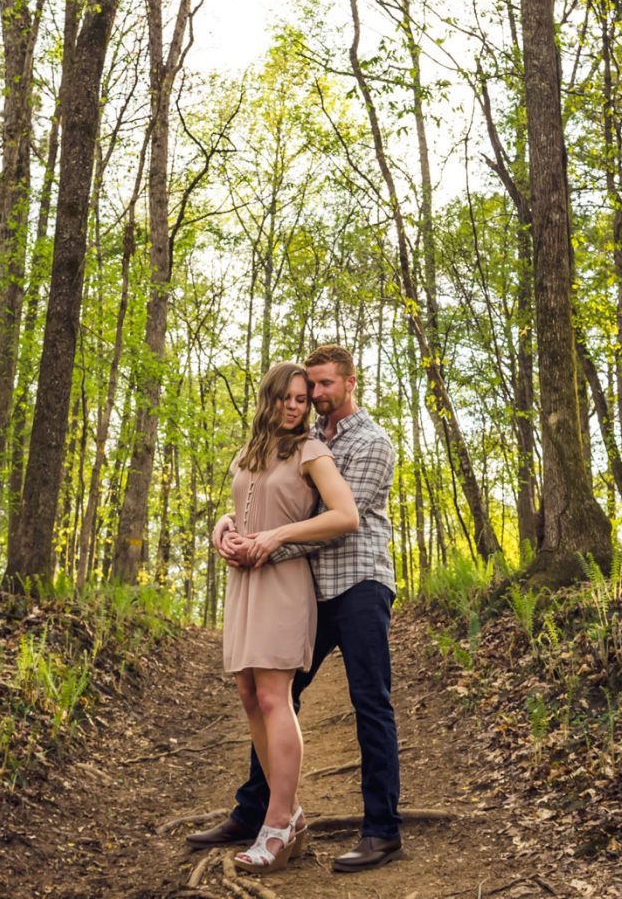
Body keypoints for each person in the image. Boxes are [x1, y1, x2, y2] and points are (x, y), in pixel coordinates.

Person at [189, 344, 404, 873]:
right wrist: (230, 526)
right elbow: (274, 497)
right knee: (270, 696)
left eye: (324, 386)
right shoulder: (305, 440)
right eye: (309, 388)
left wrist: (264, 542)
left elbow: (333, 519)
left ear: (350, 383)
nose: (314, 396)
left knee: (369, 702)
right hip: (310, 585)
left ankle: (381, 831)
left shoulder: (370, 444)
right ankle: (258, 810)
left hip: (357, 584)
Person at [218, 360, 359, 874]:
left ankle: (277, 823)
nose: (296, 405)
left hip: (282, 581)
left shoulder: (310, 449)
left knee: (276, 697)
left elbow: (345, 514)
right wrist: (222, 528)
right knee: (249, 694)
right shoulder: (248, 451)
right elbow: (243, 507)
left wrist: (278, 536)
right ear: (270, 398)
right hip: (243, 583)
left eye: (302, 398)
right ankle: (291, 813)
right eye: (287, 397)